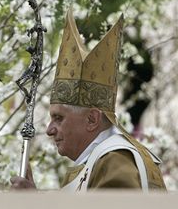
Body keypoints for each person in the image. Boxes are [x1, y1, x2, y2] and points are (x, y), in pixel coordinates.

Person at [10, 10, 166, 191]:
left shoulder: (115, 162)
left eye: (59, 118)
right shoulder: (95, 164)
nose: (49, 130)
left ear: (92, 119)